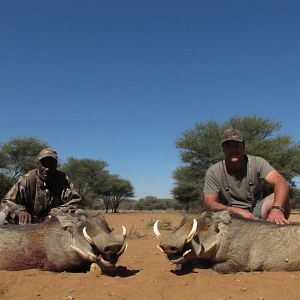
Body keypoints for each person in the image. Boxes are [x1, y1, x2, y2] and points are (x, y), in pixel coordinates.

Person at [203, 129, 291, 224]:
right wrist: (237, 211)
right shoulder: (213, 172)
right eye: (228, 146)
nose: (233, 150)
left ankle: (277, 227)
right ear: (222, 148)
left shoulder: (258, 162)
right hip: (229, 215)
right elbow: (210, 203)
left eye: (237, 145)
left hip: (255, 212)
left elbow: (281, 182)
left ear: (244, 146)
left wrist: (277, 208)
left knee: (281, 196)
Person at [0, 147, 81, 225]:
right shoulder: (27, 180)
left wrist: (55, 214)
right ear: (37, 164)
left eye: (51, 165)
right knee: (2, 217)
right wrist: (20, 211)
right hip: (28, 222)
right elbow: (6, 202)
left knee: (80, 216)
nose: (47, 169)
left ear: (56, 166)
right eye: (44, 164)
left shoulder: (62, 180)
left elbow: (76, 201)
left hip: (54, 222)